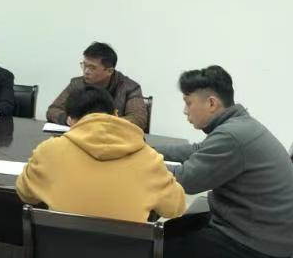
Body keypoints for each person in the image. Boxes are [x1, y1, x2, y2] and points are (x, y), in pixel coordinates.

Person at [157, 66, 293, 258]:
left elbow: (186, 180)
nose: (185, 111)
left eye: (188, 102)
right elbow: (196, 151)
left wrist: (140, 164)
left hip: (258, 244)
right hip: (270, 233)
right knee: (171, 230)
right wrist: (148, 148)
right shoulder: (240, 125)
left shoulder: (232, 135)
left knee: (162, 251)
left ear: (211, 103)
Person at [17, 86, 185, 222]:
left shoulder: (48, 151)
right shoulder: (148, 158)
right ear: (116, 114)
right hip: (125, 253)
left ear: (70, 120)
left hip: (58, 252)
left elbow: (25, 193)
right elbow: (175, 208)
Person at [47, 42, 147, 130]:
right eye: (84, 65)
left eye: (92, 68)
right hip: (80, 138)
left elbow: (138, 119)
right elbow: (53, 110)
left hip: (114, 141)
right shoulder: (77, 84)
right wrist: (67, 119)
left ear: (109, 71)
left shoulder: (129, 88)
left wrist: (98, 123)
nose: (86, 71)